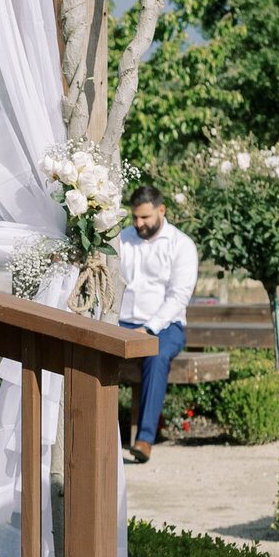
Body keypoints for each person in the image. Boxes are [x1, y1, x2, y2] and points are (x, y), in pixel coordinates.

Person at [115, 185, 198, 463]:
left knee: (157, 353)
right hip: (121, 322)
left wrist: (149, 328)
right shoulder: (121, 240)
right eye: (135, 218)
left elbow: (178, 297)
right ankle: (103, 432)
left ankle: (144, 439)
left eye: (145, 218)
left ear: (161, 211)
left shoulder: (181, 244)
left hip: (166, 325)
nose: (139, 224)